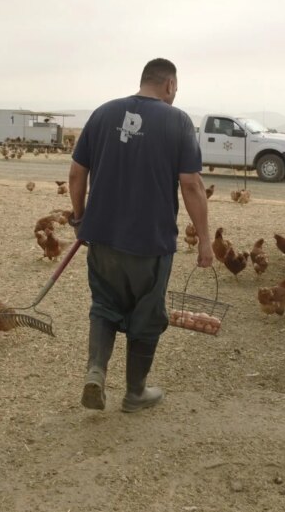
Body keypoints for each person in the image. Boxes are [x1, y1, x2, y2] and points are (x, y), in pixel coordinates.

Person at [68, 58, 214, 412]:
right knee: (147, 314)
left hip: (101, 237)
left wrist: (80, 218)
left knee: (104, 306)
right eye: (176, 89)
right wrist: (205, 240)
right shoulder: (177, 121)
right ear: (169, 85)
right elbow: (192, 185)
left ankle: (96, 371)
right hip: (150, 242)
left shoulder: (102, 114)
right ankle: (135, 393)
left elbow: (75, 173)